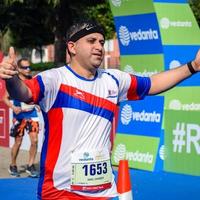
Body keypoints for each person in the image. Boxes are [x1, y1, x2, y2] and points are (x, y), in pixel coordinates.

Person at [0, 19, 200, 199]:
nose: (99, 47)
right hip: (61, 192)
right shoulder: (54, 79)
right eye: (91, 41)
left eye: (102, 42)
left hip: (103, 192)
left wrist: (193, 66)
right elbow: (23, 93)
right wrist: (11, 79)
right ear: (72, 47)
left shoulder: (113, 79)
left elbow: (152, 83)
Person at [2, 58, 40, 178]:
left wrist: (38, 104)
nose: (28, 69)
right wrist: (13, 107)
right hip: (19, 117)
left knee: (34, 141)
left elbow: (37, 96)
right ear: (18, 69)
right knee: (18, 142)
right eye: (25, 67)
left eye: (29, 67)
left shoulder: (33, 80)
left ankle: (30, 165)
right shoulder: (15, 82)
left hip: (32, 115)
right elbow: (5, 98)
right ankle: (13, 165)